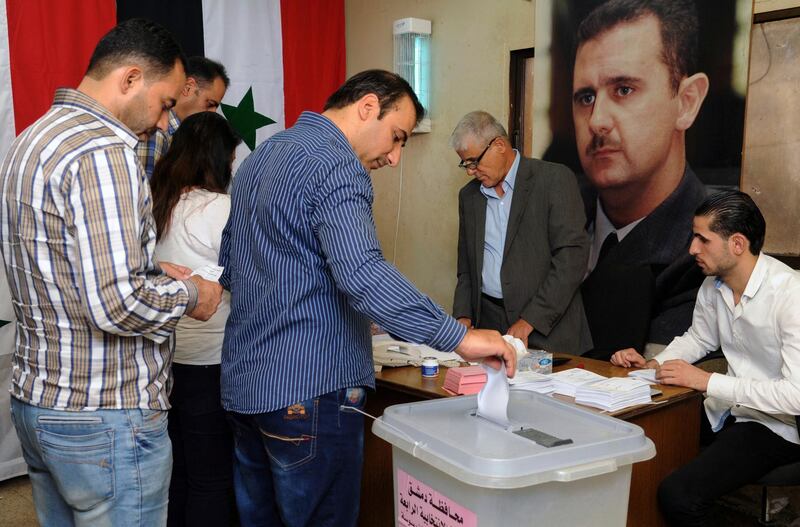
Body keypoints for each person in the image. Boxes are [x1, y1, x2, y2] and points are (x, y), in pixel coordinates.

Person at [219, 69, 516, 527]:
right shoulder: (336, 164)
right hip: (309, 390)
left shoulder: (263, 157)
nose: (395, 158)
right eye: (397, 138)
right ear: (367, 107)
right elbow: (363, 274)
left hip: (247, 387)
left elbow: (234, 266)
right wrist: (460, 337)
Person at [0, 19, 222, 526]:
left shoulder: (32, 139)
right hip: (105, 414)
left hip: (39, 402)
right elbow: (118, 305)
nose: (168, 124)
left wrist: (149, 265)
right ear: (129, 79)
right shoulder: (106, 151)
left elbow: (56, 258)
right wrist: (191, 293)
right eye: (167, 103)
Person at [610, 191, 800, 526]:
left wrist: (706, 381)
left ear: (737, 244)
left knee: (678, 496)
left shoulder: (790, 294)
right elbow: (698, 339)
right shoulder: (713, 286)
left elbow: (794, 397)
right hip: (727, 410)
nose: (692, 249)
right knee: (638, 439)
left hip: (777, 424)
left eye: (702, 239)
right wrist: (654, 365)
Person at [572, 0, 709, 360]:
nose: (597, 120)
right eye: (586, 97)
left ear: (686, 102)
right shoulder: (559, 216)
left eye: (624, 90)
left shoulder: (703, 250)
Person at [150, 112, 241, 527]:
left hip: (166, 359)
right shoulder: (220, 207)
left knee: (180, 471)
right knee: (213, 478)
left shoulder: (158, 201)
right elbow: (247, 277)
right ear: (218, 158)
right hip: (211, 359)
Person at [450, 110, 592, 354]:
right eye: (466, 163)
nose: (470, 171)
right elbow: (467, 268)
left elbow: (571, 260)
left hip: (549, 331)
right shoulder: (469, 197)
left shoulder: (553, 180)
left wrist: (530, 320)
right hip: (491, 328)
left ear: (499, 145)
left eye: (474, 161)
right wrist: (462, 316)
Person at [137, 56, 230, 179]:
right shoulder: (158, 132)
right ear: (188, 87)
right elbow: (148, 192)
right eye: (210, 104)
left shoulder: (180, 134)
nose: (213, 113)